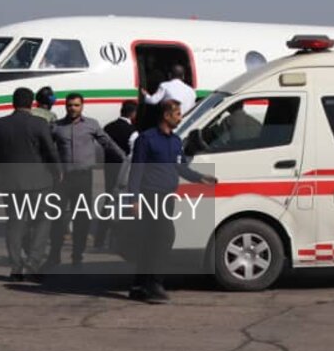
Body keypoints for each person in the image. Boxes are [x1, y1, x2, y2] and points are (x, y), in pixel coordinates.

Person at [126, 98, 213, 303]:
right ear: (166, 115)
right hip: (150, 196)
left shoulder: (175, 141)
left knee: (150, 241)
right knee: (165, 237)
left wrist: (200, 178)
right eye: (177, 114)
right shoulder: (146, 139)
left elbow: (180, 167)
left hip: (167, 197)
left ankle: (139, 285)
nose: (180, 118)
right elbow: (136, 169)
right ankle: (155, 283)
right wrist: (134, 199)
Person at [0, 87, 61, 282]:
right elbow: (50, 151)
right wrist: (57, 172)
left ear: (13, 103)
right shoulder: (39, 123)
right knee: (42, 221)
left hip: (9, 182)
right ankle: (33, 264)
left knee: (15, 224)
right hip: (38, 182)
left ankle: (16, 267)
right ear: (31, 104)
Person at [48, 92, 124, 267]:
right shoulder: (56, 127)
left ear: (82, 106)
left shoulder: (92, 125)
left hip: (83, 177)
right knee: (58, 217)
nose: (73, 108)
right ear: (65, 106)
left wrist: (125, 158)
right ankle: (54, 254)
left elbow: (108, 143)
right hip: (62, 179)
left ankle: (77, 255)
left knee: (81, 217)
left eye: (76, 105)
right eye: (70, 105)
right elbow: (47, 149)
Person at [94, 100, 138, 249]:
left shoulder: (108, 127)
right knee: (122, 204)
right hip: (123, 170)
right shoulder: (133, 131)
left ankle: (99, 238)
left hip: (109, 168)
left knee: (108, 201)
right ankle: (115, 240)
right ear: (133, 114)